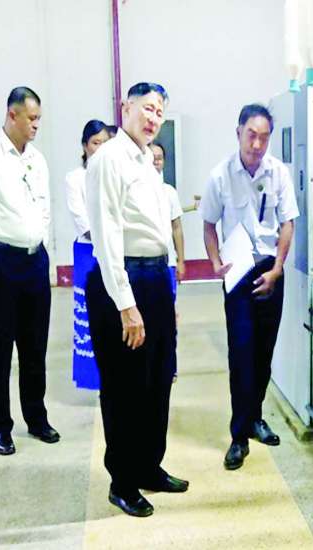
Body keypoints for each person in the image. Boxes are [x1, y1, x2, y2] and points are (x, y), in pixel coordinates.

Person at [85, 82, 188, 518]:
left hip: (155, 277)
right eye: (147, 108)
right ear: (125, 107)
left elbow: (159, 229)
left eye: (160, 112)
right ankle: (123, 481)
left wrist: (168, 290)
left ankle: (149, 465)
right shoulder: (109, 159)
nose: (153, 118)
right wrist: (126, 304)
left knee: (158, 379)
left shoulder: (147, 160)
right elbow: (107, 235)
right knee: (125, 386)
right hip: (123, 280)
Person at [199, 103, 299, 471]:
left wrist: (277, 269)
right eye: (251, 135)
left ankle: (255, 417)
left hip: (270, 270)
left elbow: (287, 223)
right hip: (238, 273)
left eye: (264, 138)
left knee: (263, 353)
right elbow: (209, 225)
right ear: (238, 132)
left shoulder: (279, 173)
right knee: (241, 354)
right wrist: (214, 262)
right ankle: (238, 436)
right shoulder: (220, 176)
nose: (257, 144)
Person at [0, 86, 58, 456]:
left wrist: (43, 250)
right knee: (1, 350)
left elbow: (45, 209)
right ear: (12, 115)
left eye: (39, 119)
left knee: (35, 347)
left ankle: (36, 417)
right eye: (31, 118)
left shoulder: (37, 159)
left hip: (35, 261)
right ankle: (1, 426)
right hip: (0, 262)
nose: (36, 125)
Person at [66, 120, 115, 390]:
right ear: (85, 146)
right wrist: (108, 236)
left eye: (106, 143)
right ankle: (92, 377)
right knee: (89, 318)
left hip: (116, 251)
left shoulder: (115, 174)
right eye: (96, 143)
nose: (101, 148)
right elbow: (81, 219)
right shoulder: (75, 178)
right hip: (89, 251)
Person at [149, 142, 185, 383]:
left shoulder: (169, 193)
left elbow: (177, 228)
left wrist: (181, 260)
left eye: (159, 158)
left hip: (167, 265)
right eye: (151, 157)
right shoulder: (134, 190)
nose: (155, 162)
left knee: (169, 317)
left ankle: (169, 365)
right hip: (143, 265)